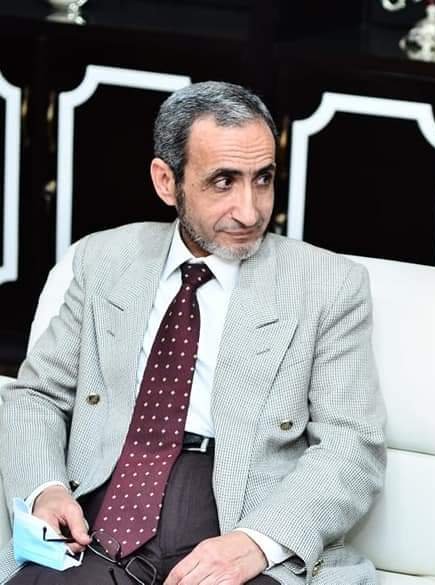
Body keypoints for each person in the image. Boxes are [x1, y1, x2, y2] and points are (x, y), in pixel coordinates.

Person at [0, 81, 386, 585]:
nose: (250, 211)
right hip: (98, 511)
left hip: (237, 518)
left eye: (263, 179)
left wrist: (257, 542)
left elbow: (352, 445)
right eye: (223, 182)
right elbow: (36, 396)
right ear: (167, 182)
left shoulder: (329, 285)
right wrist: (45, 489)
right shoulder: (105, 259)